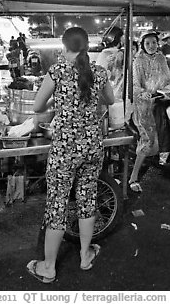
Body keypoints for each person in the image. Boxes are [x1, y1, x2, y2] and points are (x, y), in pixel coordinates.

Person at [26, 27, 114, 283]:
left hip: (65, 149)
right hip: (92, 147)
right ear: (86, 46)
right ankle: (85, 256)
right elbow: (109, 100)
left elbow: (37, 106)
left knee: (57, 203)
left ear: (65, 46)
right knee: (87, 198)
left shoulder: (57, 71)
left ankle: (49, 267)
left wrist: (59, 100)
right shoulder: (99, 72)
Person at [129, 30, 170, 191]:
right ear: (142, 44)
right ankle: (133, 176)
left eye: (154, 42)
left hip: (161, 100)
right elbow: (135, 84)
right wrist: (143, 93)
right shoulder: (138, 61)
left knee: (165, 133)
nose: (151, 46)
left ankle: (164, 163)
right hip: (145, 105)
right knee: (147, 140)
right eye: (147, 43)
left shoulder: (161, 58)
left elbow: (168, 78)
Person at [96, 26, 124, 96]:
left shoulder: (103, 54)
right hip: (117, 93)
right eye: (122, 37)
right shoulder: (120, 54)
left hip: (106, 93)